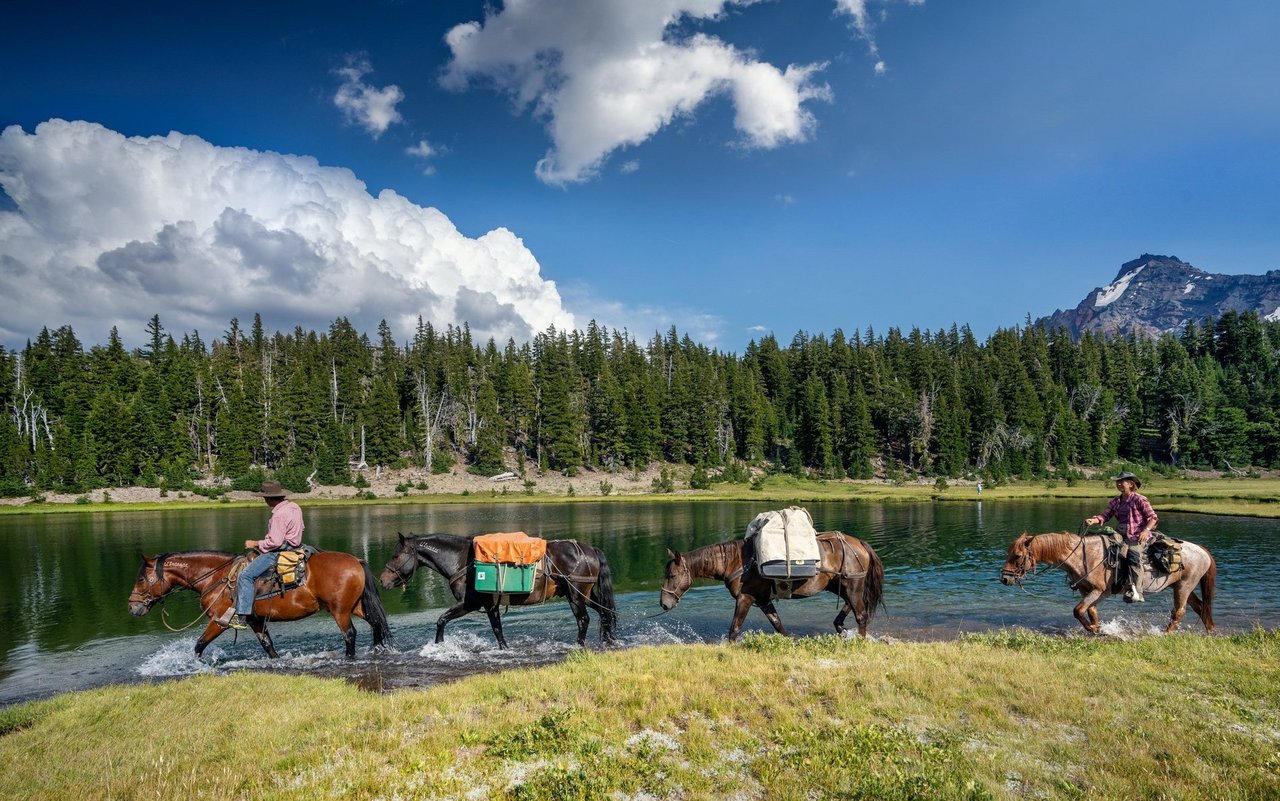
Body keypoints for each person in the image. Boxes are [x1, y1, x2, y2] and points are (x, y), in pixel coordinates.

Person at [215, 480, 305, 627]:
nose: (264, 500)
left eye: (264, 497)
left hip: (279, 551)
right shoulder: (294, 507)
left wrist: (255, 543)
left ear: (268, 498)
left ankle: (242, 617)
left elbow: (275, 542)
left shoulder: (279, 514)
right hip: (297, 547)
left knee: (245, 576)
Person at [1083, 471, 1157, 602]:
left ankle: (1137, 591)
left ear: (1130, 484)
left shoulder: (1139, 499)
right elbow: (1105, 516)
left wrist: (1145, 531)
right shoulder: (1116, 501)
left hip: (1137, 535)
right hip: (1121, 534)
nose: (1118, 484)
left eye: (1121, 482)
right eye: (1117, 482)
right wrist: (1093, 521)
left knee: (1133, 555)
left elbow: (1153, 518)